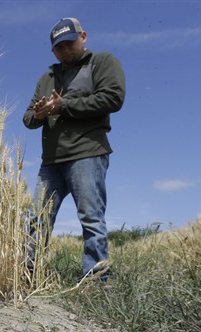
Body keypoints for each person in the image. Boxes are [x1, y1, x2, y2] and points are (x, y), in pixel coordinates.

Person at [23, 17, 125, 283]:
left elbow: (113, 98)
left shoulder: (102, 62)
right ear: (53, 50)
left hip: (87, 153)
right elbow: (27, 119)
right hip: (51, 161)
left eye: (70, 43)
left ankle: (96, 278)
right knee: (36, 219)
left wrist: (63, 105)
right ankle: (27, 274)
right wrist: (39, 113)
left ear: (83, 37)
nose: (65, 50)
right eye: (59, 47)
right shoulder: (47, 77)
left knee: (91, 217)